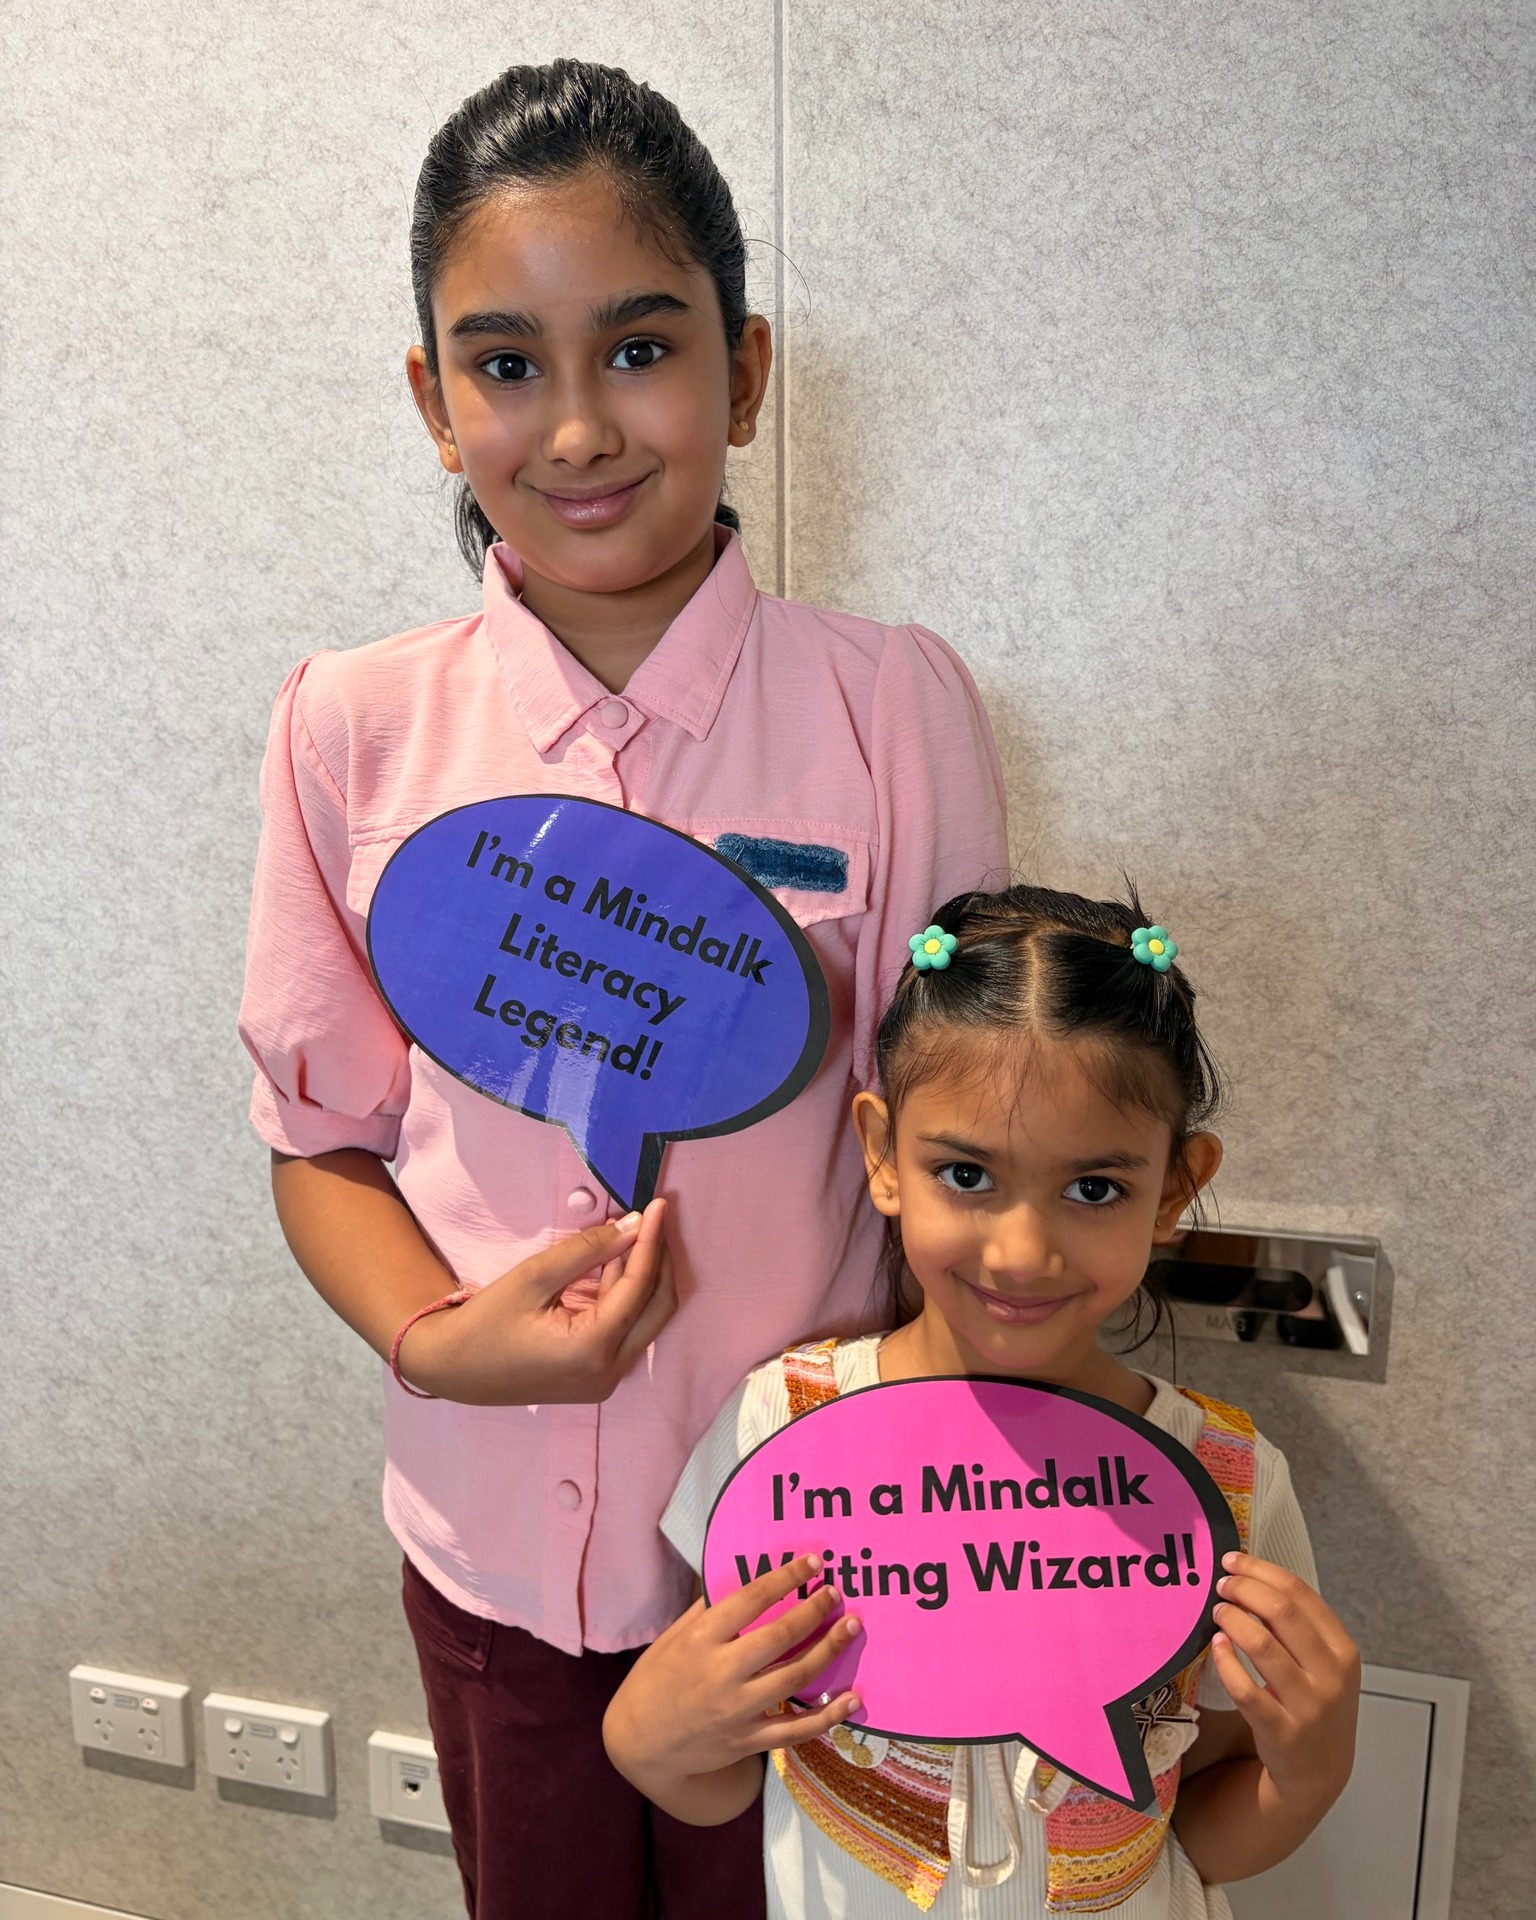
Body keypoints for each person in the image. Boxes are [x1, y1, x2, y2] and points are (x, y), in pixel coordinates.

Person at [236, 57, 1008, 1920]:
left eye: (639, 349)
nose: (576, 426)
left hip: (804, 1576)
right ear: (435, 403)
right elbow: (318, 1140)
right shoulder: (353, 727)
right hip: (495, 1561)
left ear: (742, 372)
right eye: (505, 365)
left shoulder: (888, 710)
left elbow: (964, 1149)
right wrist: (440, 1340)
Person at [604, 884, 1361, 1918]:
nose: (1020, 1251)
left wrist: (1309, 1773)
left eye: (1093, 1188)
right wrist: (645, 1739)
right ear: (882, 1155)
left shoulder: (1223, 1488)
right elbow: (722, 1776)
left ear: (1177, 1188)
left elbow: (1202, 1824)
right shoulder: (782, 1426)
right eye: (966, 1173)